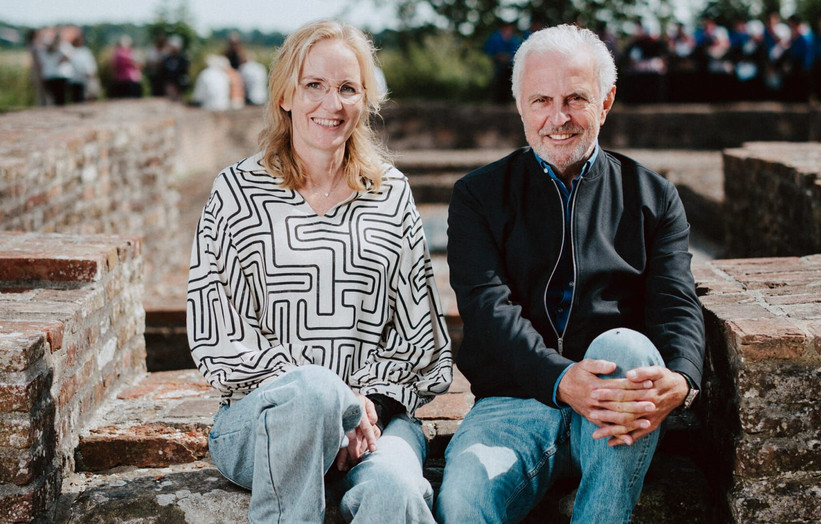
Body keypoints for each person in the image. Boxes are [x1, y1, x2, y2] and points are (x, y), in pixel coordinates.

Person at [186, 20, 452, 523]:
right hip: (263, 422)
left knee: (395, 489)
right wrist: (333, 404)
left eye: (348, 88)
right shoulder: (236, 194)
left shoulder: (390, 193)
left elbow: (424, 340)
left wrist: (364, 405)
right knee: (310, 393)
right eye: (315, 86)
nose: (332, 104)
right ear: (286, 93)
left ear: (365, 100)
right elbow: (216, 338)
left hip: (378, 423)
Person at [436, 24, 704, 522]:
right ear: (519, 104)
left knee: (623, 346)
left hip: (612, 405)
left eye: (575, 98)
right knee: (461, 499)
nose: (557, 118)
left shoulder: (653, 196)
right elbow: (488, 309)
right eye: (541, 100)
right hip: (510, 404)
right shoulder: (477, 195)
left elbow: (676, 301)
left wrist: (684, 379)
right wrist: (561, 380)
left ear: (606, 101)